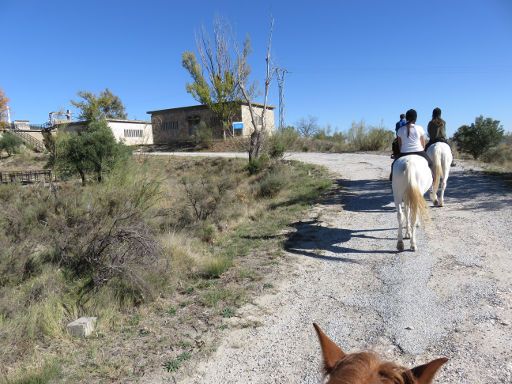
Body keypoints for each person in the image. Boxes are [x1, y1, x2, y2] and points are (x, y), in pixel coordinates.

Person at [390, 109, 433, 180]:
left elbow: (400, 145)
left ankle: (392, 178)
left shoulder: (400, 130)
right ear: (415, 118)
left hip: (404, 152)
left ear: (406, 118)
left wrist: (403, 150)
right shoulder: (419, 128)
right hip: (419, 151)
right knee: (431, 164)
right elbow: (423, 144)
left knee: (393, 165)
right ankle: (432, 181)